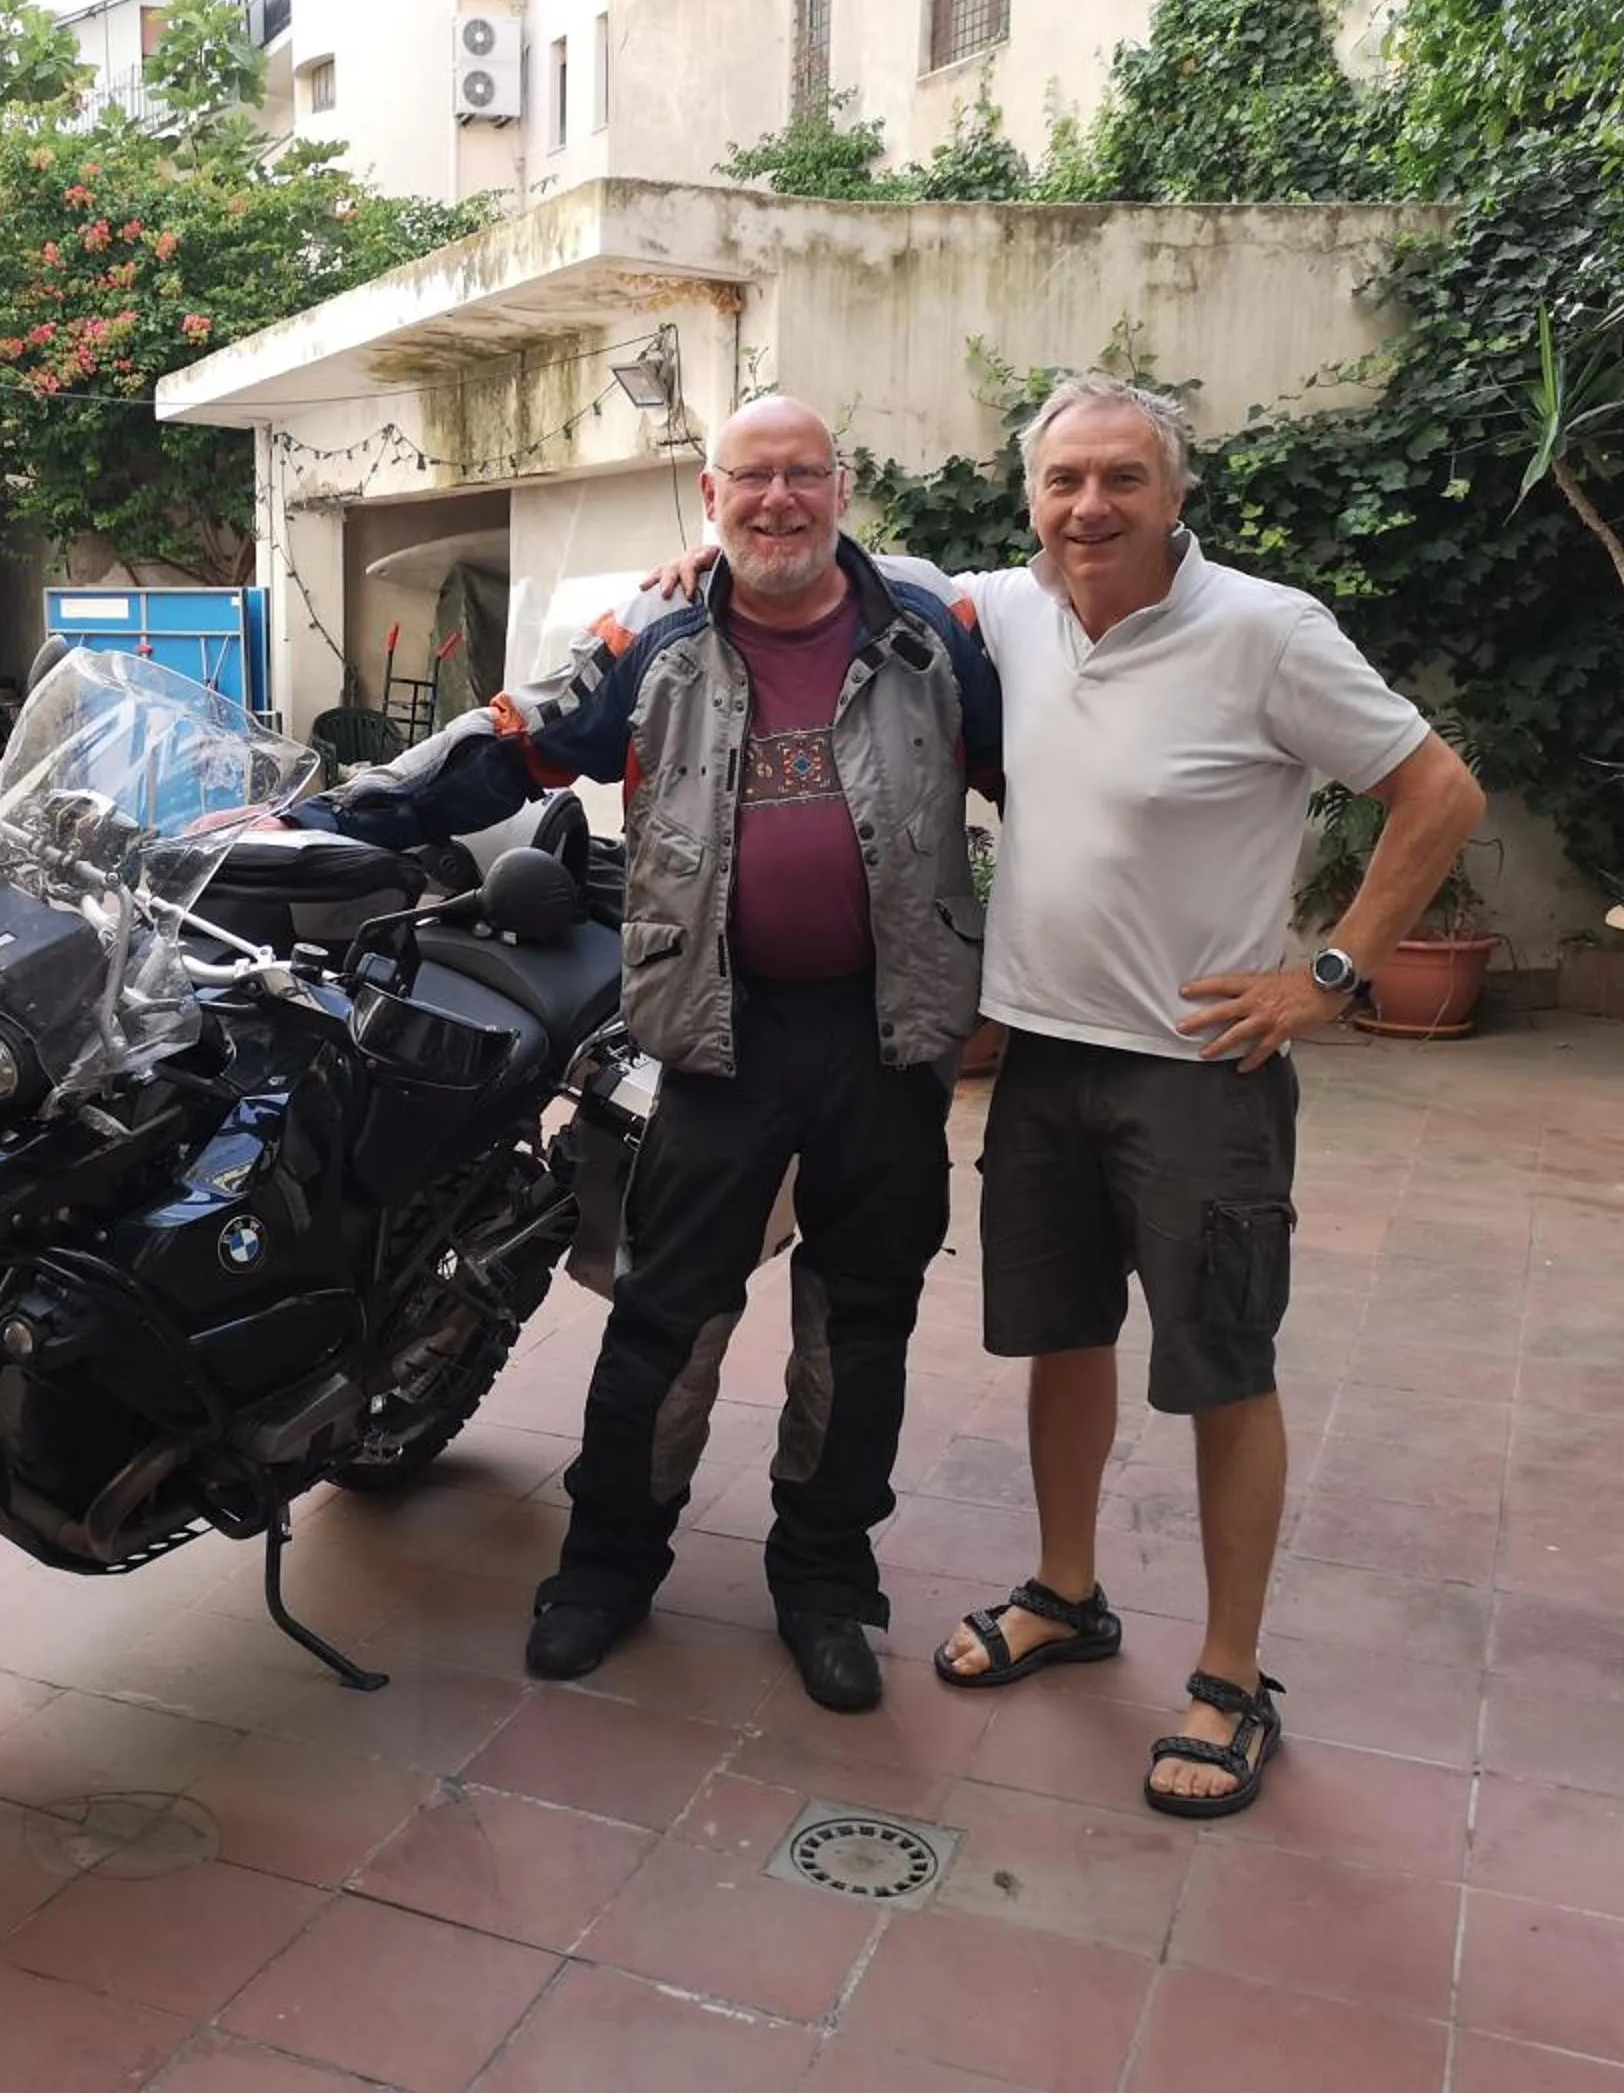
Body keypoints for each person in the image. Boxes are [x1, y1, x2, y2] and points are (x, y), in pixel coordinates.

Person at [648, 372, 1483, 1812]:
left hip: (1201, 1068)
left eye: (1122, 479)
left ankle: (1229, 1677)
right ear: (1030, 498)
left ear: (1176, 494)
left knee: (1225, 1364)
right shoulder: (998, 613)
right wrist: (706, 558)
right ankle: (1067, 1590)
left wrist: (1331, 976)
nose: (1090, 506)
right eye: (1064, 481)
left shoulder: (1267, 632)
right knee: (1061, 1342)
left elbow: (1440, 791)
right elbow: (828, 565)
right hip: (1038, 1050)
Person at [289, 396, 1002, 1712]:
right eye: (753, 478)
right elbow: (512, 743)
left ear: (843, 486)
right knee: (666, 1316)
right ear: (708, 493)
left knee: (862, 1322)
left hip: (886, 1030)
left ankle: (828, 1579)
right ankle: (608, 1564)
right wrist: (336, 814)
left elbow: (1045, 773)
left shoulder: (932, 628)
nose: (778, 499)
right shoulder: (653, 633)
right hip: (716, 1030)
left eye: (803, 474)